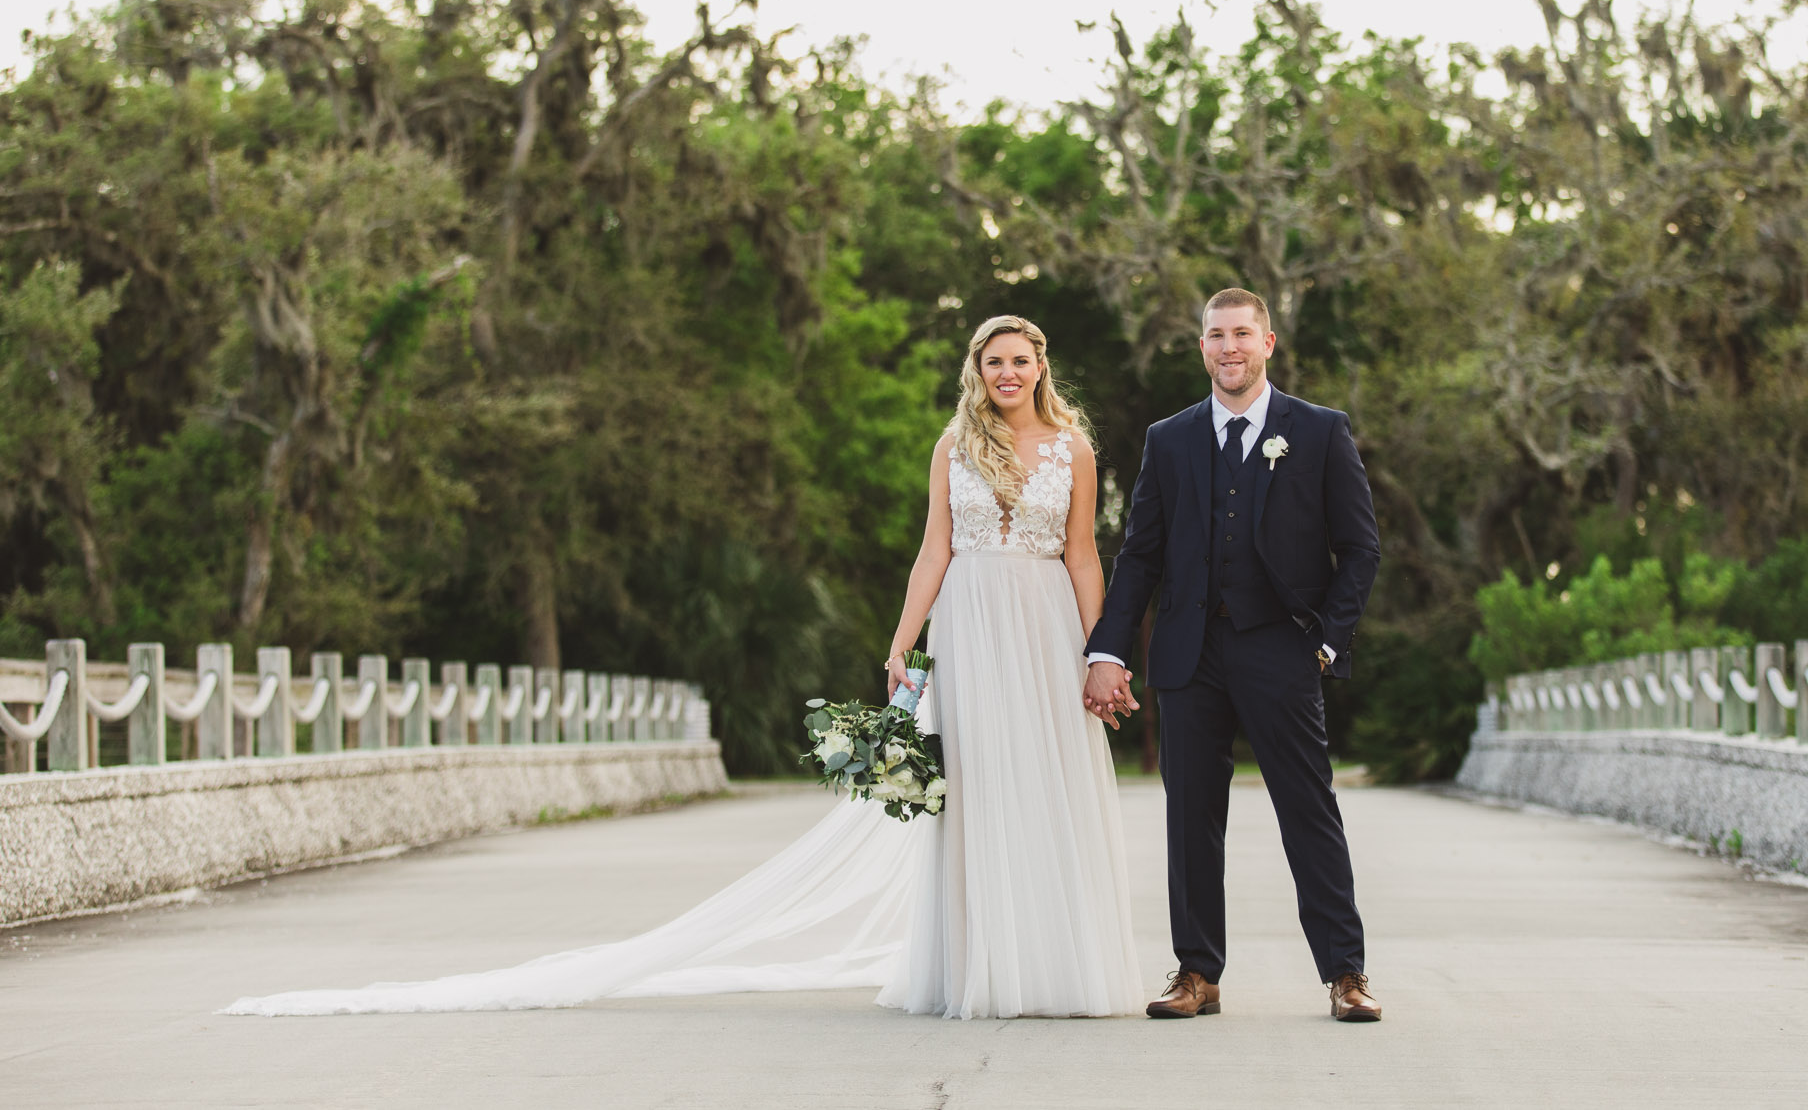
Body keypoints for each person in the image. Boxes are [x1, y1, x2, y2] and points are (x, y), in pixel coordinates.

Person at [223, 314, 1144, 1019]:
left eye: (1021, 360)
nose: (1008, 373)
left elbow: (1083, 555)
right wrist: (903, 640)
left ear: (1040, 368)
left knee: (1049, 783)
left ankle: (1059, 960)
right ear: (976, 372)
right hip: (973, 623)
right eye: (994, 361)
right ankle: (984, 968)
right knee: (976, 789)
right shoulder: (955, 444)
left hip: (1045, 623)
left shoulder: (1075, 448)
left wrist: (1098, 648)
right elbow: (932, 551)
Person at [1082, 287, 1384, 1023]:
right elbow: (1140, 554)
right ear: (1201, 348)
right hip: (1188, 653)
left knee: (1307, 810)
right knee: (1190, 816)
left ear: (1268, 342)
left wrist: (1325, 639)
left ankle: (1345, 974)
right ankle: (1195, 972)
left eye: (1242, 334)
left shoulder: (1317, 430)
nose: (1229, 347)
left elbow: (1360, 547)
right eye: (1216, 335)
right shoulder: (1170, 437)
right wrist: (1107, 650)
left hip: (1281, 650)